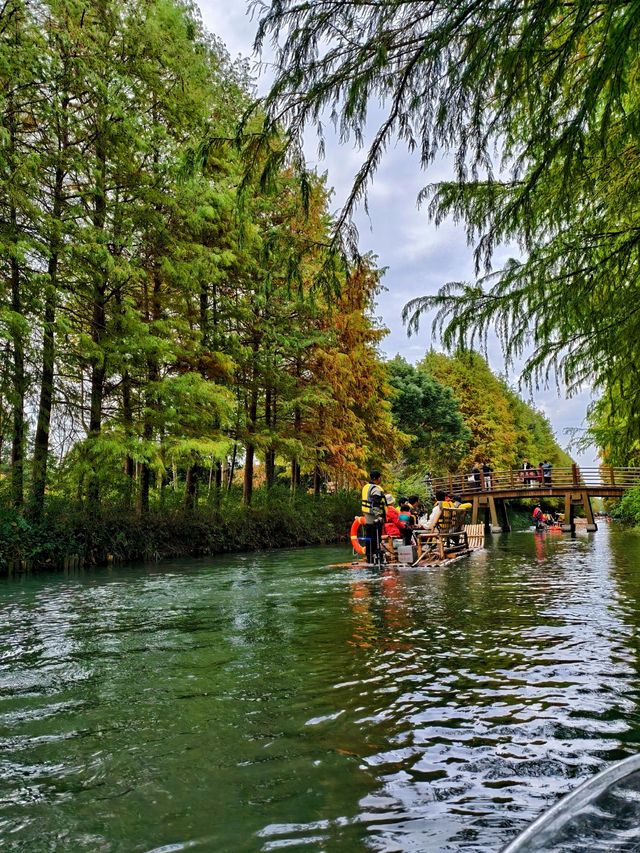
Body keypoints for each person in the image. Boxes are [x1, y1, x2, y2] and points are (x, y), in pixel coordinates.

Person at [361, 471, 387, 563]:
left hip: (367, 516)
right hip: (374, 517)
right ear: (377, 478)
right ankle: (375, 557)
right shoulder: (376, 489)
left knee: (369, 537)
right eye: (380, 477)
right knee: (376, 538)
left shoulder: (366, 487)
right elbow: (376, 503)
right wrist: (379, 516)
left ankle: (369, 557)